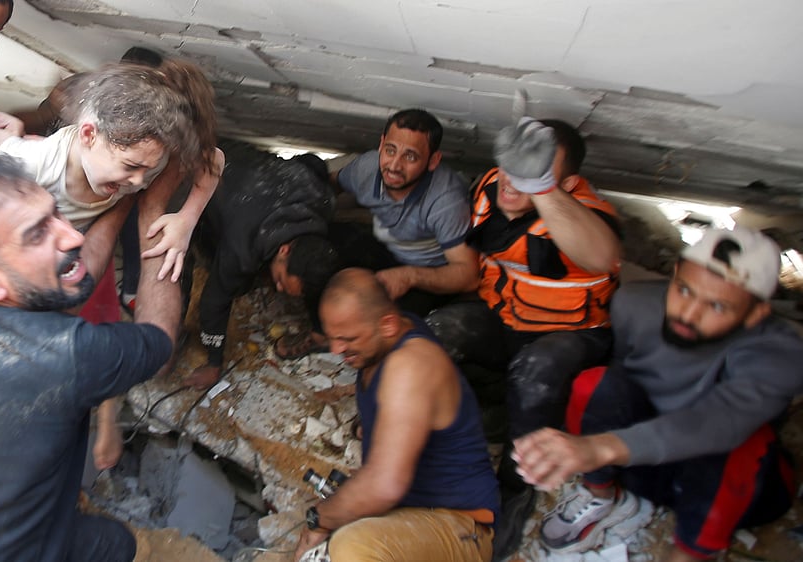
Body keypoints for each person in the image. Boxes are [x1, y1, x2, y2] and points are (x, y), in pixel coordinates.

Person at [0, 150, 181, 562]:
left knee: (111, 541)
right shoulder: (71, 356)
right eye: (36, 234)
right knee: (114, 546)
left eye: (56, 215)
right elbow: (159, 338)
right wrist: (154, 210)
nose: (72, 236)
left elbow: (66, 280)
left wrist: (122, 199)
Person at [0, 58, 222, 470]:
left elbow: (212, 158)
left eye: (151, 171)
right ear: (90, 135)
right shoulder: (38, 163)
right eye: (132, 169)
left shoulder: (142, 156)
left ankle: (105, 417)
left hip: (85, 242)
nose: (139, 181)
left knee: (97, 321)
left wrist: (186, 220)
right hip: (45, 245)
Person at [515, 225, 802, 561]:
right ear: (676, 272)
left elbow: (719, 422)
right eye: (684, 290)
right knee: (596, 382)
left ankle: (690, 552)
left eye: (718, 307)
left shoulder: (782, 353)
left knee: (745, 441)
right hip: (643, 459)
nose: (689, 313)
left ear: (756, 314)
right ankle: (601, 494)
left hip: (731, 493)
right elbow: (624, 378)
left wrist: (599, 447)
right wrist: (599, 453)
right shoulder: (636, 304)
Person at [425, 98, 622, 560]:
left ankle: (514, 489)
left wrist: (544, 190)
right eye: (514, 165)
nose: (515, 179)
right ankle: (475, 421)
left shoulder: (581, 212)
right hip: (507, 321)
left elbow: (602, 256)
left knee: (535, 372)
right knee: (440, 330)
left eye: (535, 171)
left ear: (567, 182)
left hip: (568, 337)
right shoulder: (491, 189)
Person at [293, 268, 498, 562]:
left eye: (347, 338)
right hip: (415, 513)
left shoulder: (410, 365)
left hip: (461, 526)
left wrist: (319, 518)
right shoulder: (390, 338)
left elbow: (384, 485)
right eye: (333, 338)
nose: (336, 349)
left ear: (387, 324)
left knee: (351, 548)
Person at [188, 138, 341, 390]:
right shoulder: (242, 246)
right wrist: (214, 363)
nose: (278, 288)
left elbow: (312, 162)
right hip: (210, 162)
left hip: (259, 171)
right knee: (229, 281)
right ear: (284, 249)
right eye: (281, 280)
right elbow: (213, 304)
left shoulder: (323, 200)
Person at [332, 108, 477, 315]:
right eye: (390, 150)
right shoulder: (367, 167)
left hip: (429, 273)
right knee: (326, 248)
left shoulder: (446, 200)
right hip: (386, 250)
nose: (394, 165)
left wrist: (409, 276)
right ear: (381, 144)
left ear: (433, 161)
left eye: (410, 156)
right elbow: (330, 184)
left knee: (387, 318)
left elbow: (469, 275)